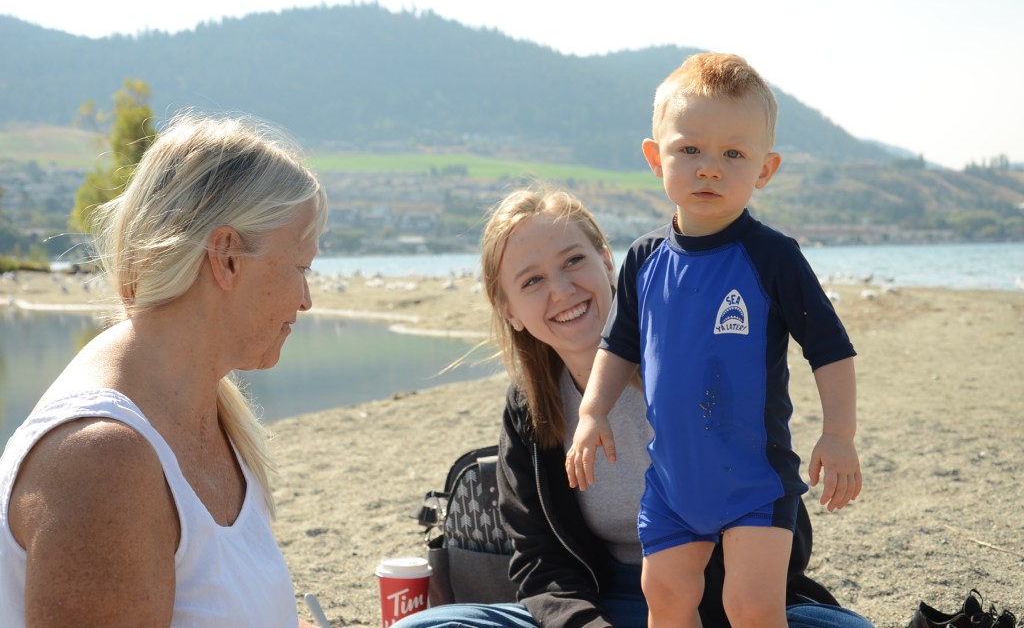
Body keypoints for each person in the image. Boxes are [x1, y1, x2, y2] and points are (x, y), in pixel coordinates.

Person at [396, 185, 872, 627]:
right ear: (509, 311)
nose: (561, 290)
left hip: (722, 599)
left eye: (574, 261)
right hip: (596, 601)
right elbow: (541, 564)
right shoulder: (530, 408)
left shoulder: (692, 362)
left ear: (608, 263)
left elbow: (778, 519)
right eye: (532, 280)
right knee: (426, 625)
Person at [565, 53, 862, 628]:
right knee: (667, 599)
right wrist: (592, 412)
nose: (709, 169)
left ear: (765, 169)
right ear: (656, 158)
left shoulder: (773, 257)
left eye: (733, 154)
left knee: (750, 608)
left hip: (755, 479)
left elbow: (830, 348)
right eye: (690, 149)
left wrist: (840, 434)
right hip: (673, 480)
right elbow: (618, 343)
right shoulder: (644, 259)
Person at [0, 112, 328, 626]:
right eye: (302, 267)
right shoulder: (104, 461)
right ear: (227, 257)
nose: (307, 299)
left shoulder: (207, 409)